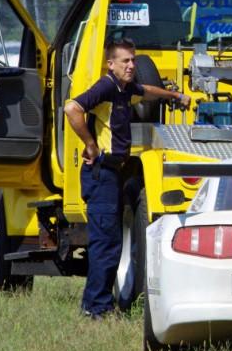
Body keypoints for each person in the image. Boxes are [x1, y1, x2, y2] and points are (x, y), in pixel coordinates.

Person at [64, 38, 190, 319]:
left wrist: (175, 96)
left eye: (133, 60)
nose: (132, 65)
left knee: (110, 243)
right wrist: (89, 143)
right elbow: (72, 108)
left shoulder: (124, 89)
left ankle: (92, 304)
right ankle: (98, 309)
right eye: (125, 61)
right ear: (111, 64)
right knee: (106, 244)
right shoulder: (107, 86)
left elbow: (146, 91)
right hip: (102, 173)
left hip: (115, 173)